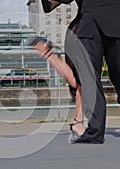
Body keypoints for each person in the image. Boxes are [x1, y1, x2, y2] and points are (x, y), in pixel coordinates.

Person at [71, 0, 120, 144]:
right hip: (95, 25)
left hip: (103, 25)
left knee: (117, 77)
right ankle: (98, 131)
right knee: (97, 78)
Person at [33, 0, 85, 138]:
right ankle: (77, 122)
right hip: (83, 31)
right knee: (82, 81)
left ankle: (48, 54)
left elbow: (48, 6)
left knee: (80, 80)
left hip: (77, 31)